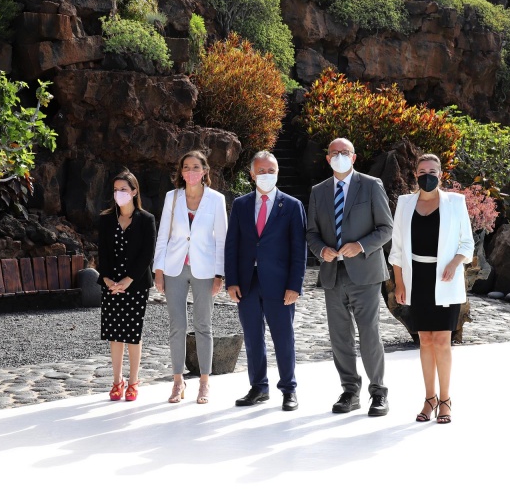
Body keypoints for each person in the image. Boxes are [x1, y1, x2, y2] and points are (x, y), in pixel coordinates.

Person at [306, 138, 393, 416]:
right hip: (333, 274)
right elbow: (311, 233)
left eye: (345, 152)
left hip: (365, 273)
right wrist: (321, 250)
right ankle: (350, 391)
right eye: (334, 152)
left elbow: (386, 228)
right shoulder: (318, 191)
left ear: (353, 157)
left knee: (369, 333)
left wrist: (361, 246)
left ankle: (378, 392)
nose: (339, 156)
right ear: (327, 158)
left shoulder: (371, 185)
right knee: (339, 337)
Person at [388, 153, 474, 424]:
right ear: (416, 174)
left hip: (445, 280)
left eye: (432, 171)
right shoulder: (405, 203)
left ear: (441, 174)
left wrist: (454, 263)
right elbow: (397, 248)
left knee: (442, 341)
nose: (428, 175)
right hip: (417, 279)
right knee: (425, 340)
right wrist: (399, 282)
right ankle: (429, 399)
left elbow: (467, 244)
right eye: (423, 171)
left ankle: (446, 399)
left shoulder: (455, 203)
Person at [225, 151, 307, 411]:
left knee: (283, 337)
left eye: (271, 170)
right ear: (252, 175)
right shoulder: (241, 205)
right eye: (261, 171)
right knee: (252, 337)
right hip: (247, 283)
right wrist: (231, 281)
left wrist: (295, 285)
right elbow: (232, 245)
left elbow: (299, 249)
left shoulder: (292, 205)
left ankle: (289, 389)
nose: (266, 175)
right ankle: (258, 387)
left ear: (278, 172)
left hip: (280, 284)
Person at [154, 151, 227, 405]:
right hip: (174, 268)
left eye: (196, 167)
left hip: (205, 270)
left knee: (203, 325)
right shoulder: (172, 197)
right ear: (181, 172)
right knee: (177, 326)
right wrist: (158, 270)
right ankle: (178, 381)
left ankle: (204, 382)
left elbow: (222, 239)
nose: (191, 171)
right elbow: (163, 234)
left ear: (205, 170)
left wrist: (219, 274)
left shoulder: (216, 199)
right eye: (186, 167)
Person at [97, 170, 156, 402]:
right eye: (115, 189)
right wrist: (108, 280)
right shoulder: (106, 219)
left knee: (132, 333)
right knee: (114, 334)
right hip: (111, 284)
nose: (119, 193)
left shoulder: (146, 219)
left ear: (134, 191)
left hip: (136, 284)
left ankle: (133, 381)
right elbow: (102, 253)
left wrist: (128, 280)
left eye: (123, 189)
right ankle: (116, 381)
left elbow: (147, 254)